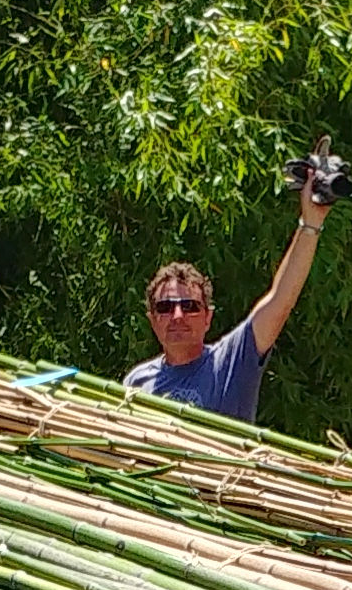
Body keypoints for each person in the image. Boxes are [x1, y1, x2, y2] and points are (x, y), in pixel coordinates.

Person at [123, 172, 335, 422]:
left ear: (207, 317)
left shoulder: (230, 362)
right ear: (152, 319)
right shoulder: (136, 382)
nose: (177, 316)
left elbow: (280, 301)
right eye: (165, 307)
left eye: (190, 306)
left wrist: (310, 224)